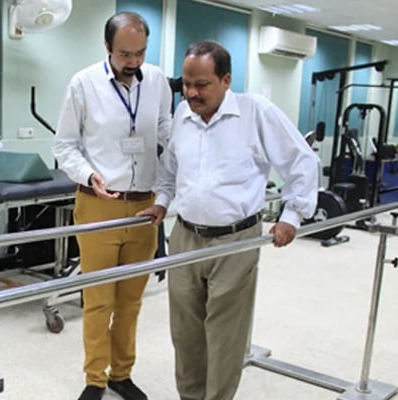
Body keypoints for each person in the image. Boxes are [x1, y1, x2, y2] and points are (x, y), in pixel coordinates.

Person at [137, 40, 319, 400]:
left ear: (225, 80)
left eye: (201, 84)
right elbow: (171, 168)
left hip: (236, 240)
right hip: (185, 235)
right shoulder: (182, 115)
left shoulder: (255, 112)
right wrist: (161, 202)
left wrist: (292, 215)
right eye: (187, 84)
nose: (191, 93)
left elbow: (302, 161)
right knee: (185, 331)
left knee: (224, 333)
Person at [52, 11, 172, 400]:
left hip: (145, 206)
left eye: (140, 53)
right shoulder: (83, 84)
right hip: (99, 204)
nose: (133, 63)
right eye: (125, 54)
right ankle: (94, 379)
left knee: (131, 300)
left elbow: (166, 127)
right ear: (107, 47)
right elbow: (64, 145)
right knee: (98, 299)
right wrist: (89, 174)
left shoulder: (155, 81)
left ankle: (122, 373)